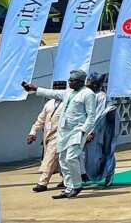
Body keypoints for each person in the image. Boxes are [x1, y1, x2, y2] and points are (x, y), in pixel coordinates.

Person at [22, 70, 97, 199]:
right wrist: (35, 89)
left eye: (72, 81)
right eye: (69, 80)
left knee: (71, 158)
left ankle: (77, 185)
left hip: (77, 131)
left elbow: (91, 116)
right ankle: (68, 188)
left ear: (80, 82)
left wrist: (84, 130)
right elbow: (53, 93)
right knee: (63, 160)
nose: (69, 82)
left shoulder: (88, 94)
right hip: (63, 131)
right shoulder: (68, 92)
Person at [26, 80, 65, 192]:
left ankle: (42, 183)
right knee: (61, 160)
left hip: (61, 135)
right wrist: (32, 132)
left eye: (60, 89)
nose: (58, 91)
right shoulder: (48, 104)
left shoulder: (68, 102)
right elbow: (40, 120)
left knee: (50, 158)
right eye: (56, 89)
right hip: (48, 135)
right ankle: (66, 180)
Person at [82, 73, 120, 186]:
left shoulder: (100, 96)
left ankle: (109, 175)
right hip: (89, 129)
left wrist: (91, 131)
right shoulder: (87, 94)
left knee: (107, 151)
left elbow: (98, 115)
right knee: (88, 155)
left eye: (89, 82)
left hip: (102, 129)